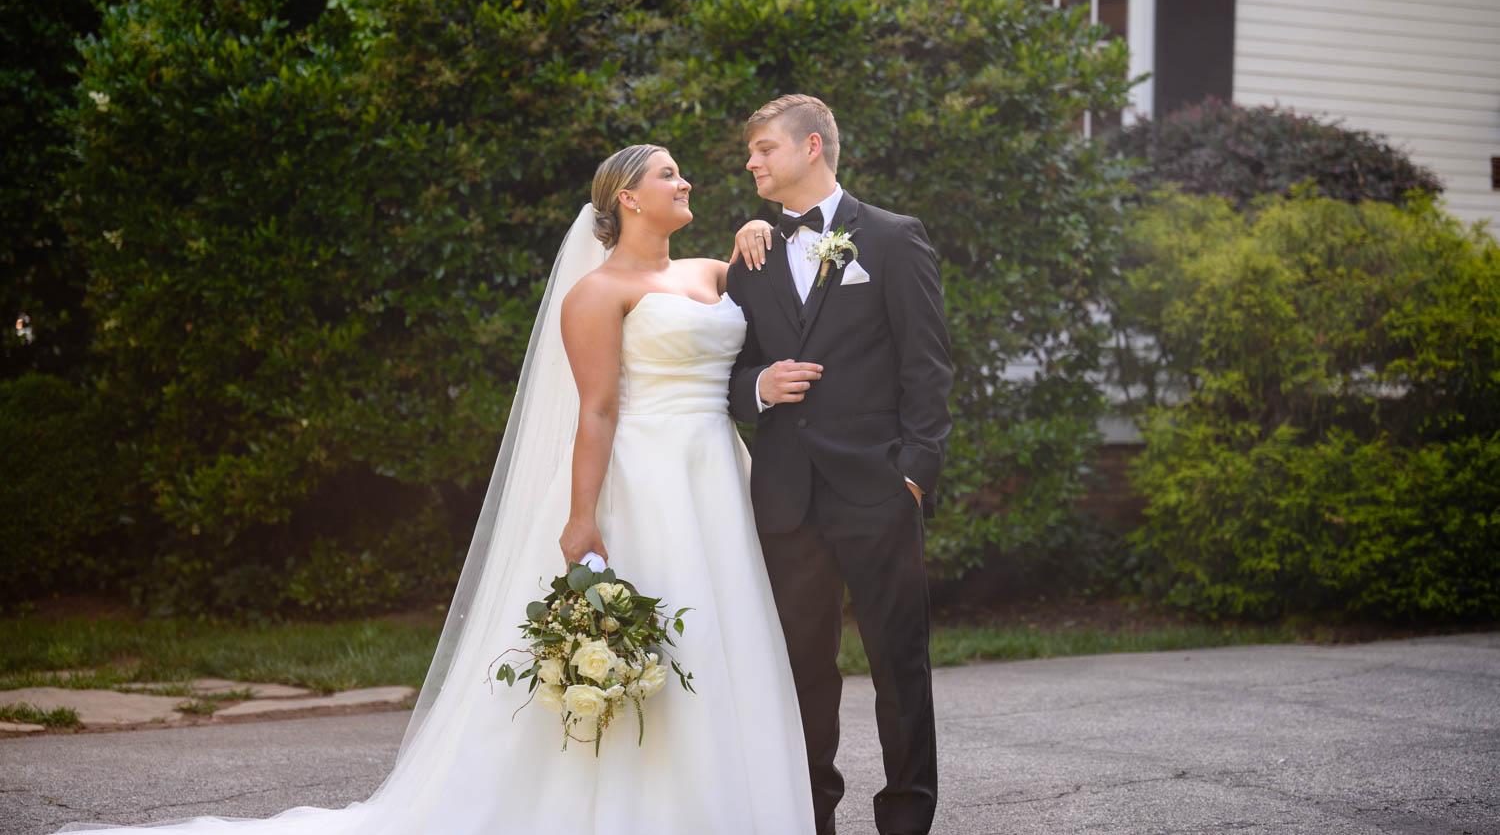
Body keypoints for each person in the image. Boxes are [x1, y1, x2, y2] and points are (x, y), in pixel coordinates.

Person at [53, 145, 813, 834]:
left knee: (725, 638)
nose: (685, 182)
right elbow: (599, 409)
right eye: (668, 175)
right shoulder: (596, 293)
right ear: (628, 200)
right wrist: (582, 518)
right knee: (665, 635)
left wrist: (755, 228)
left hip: (715, 474)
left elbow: (765, 313)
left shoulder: (712, 272)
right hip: (644, 483)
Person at [726, 95, 953, 835]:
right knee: (801, 674)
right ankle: (810, 817)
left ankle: (907, 821)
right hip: (787, 497)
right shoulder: (750, 256)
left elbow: (928, 366)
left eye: (763, 148)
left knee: (898, 666)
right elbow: (724, 369)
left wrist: (914, 472)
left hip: (878, 487)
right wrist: (757, 388)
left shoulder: (891, 238)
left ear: (811, 146)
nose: (751, 162)